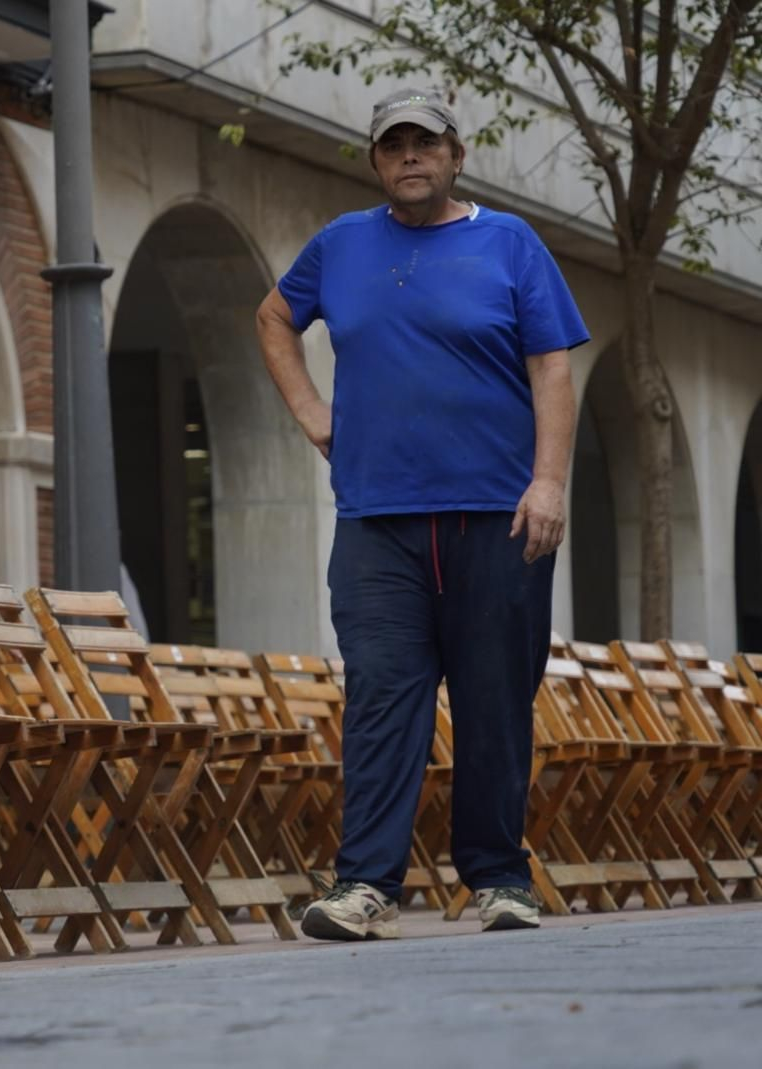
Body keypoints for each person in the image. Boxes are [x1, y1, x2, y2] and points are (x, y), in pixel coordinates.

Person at [255, 89, 587, 939]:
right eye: (394, 144)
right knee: (381, 696)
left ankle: (500, 880)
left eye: (425, 142)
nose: (410, 155)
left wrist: (548, 484)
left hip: (497, 515)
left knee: (494, 699)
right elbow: (273, 318)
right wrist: (310, 411)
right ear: (376, 160)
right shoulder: (340, 244)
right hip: (378, 519)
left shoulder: (509, 243)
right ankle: (364, 884)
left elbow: (553, 369)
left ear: (456, 154)